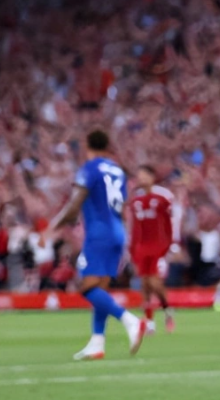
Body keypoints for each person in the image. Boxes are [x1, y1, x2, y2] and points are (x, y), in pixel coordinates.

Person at [42, 130, 145, 360]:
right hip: (117, 232)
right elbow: (123, 204)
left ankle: (130, 320)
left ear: (87, 145)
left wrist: (52, 227)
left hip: (99, 233)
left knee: (86, 286)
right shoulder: (118, 171)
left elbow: (74, 205)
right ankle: (97, 342)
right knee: (101, 288)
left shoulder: (89, 169)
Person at [127, 164, 176, 334]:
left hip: (158, 245)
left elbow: (169, 224)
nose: (141, 179)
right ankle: (149, 321)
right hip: (142, 246)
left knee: (154, 281)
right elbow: (134, 228)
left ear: (152, 177)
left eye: (144, 175)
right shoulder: (136, 201)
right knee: (145, 284)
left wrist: (170, 244)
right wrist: (132, 248)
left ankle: (167, 309)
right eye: (139, 176)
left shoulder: (163, 198)